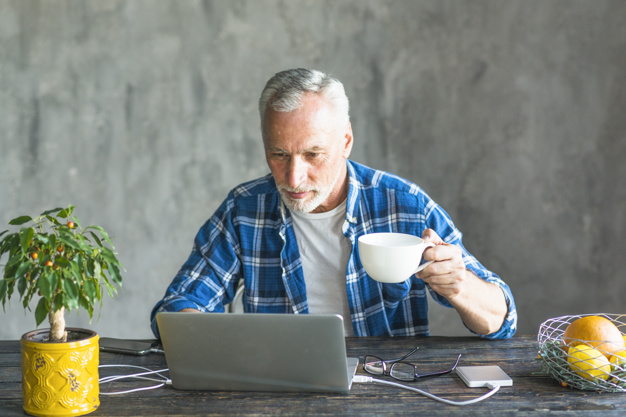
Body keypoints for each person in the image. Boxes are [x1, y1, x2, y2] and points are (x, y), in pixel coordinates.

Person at [150, 68, 517, 339]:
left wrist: (459, 286)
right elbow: (175, 308)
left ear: (345, 142)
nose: (293, 179)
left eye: (313, 154)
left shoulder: (404, 205)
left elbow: (504, 320)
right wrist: (195, 324)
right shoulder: (245, 209)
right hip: (278, 394)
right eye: (279, 154)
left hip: (389, 395)